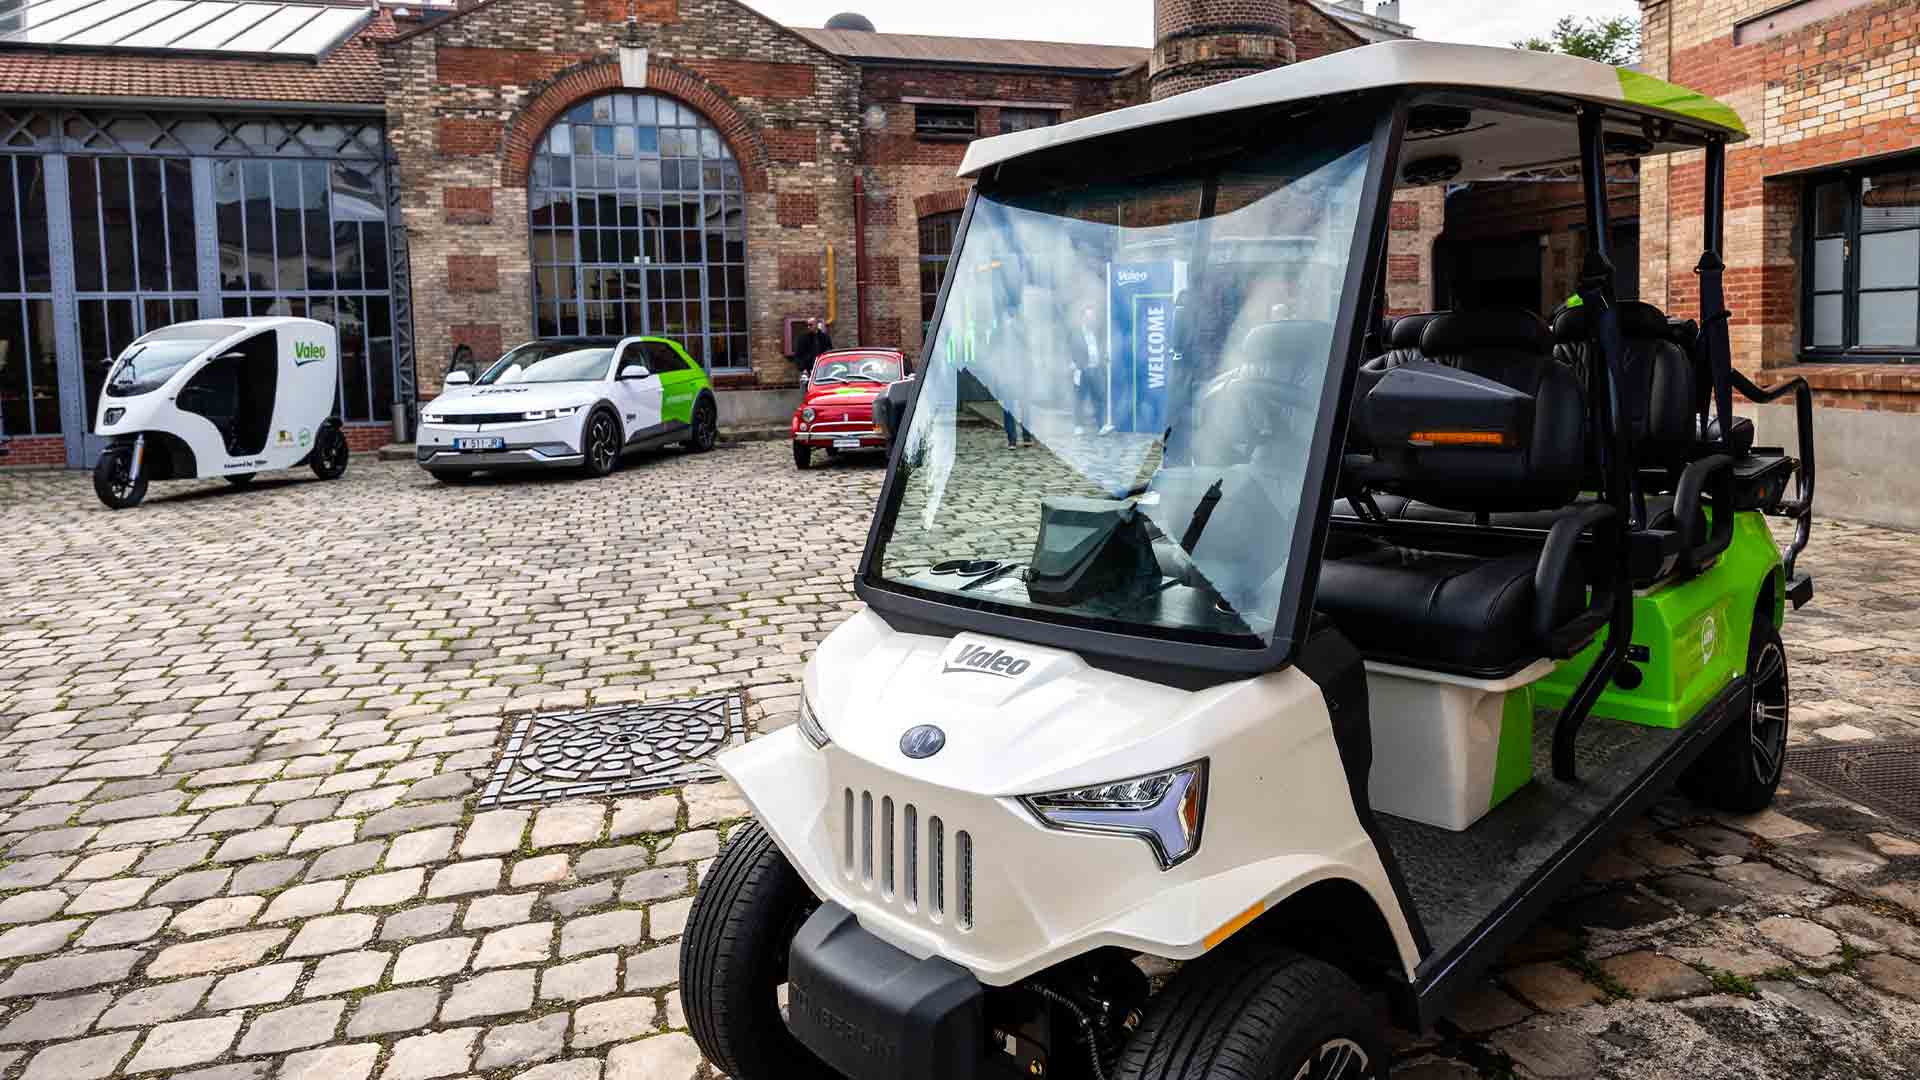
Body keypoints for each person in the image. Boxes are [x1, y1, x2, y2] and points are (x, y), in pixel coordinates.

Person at [1073, 305, 1108, 435]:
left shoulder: (1096, 332)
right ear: (1083, 318)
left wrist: (1104, 356)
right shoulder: (1076, 333)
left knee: (1099, 398)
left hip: (1096, 369)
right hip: (1082, 369)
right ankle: (1078, 425)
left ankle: (1101, 426)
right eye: (1088, 317)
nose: (1090, 320)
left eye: (1092, 317)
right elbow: (1071, 349)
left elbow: (1101, 348)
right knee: (1080, 398)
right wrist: (1074, 363)